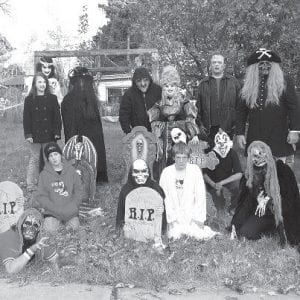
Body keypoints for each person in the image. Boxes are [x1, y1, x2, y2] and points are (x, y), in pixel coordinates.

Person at [236, 48, 300, 163]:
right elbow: (241, 111)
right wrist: (240, 133)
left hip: (279, 136)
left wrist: (294, 130)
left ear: (274, 65)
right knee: (256, 173)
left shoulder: (284, 82)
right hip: (255, 135)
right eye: (261, 64)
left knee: (280, 173)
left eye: (268, 63)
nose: (265, 66)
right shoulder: (247, 85)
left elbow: (294, 107)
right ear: (254, 66)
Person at [231, 141, 300, 246]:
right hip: (263, 214)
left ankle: (278, 229)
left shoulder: (283, 170)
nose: (259, 157)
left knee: (292, 237)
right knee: (245, 233)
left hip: (282, 213)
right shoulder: (250, 175)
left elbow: (290, 199)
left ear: (268, 153)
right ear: (251, 159)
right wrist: (235, 224)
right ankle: (269, 230)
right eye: (255, 155)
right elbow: (244, 203)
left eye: (262, 153)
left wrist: (268, 199)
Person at [159, 142, 218, 240]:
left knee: (197, 235)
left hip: (191, 214)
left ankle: (204, 231)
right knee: (175, 235)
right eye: (178, 157)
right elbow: (164, 197)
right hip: (173, 215)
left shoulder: (194, 171)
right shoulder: (167, 172)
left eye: (184, 158)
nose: (181, 161)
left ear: (188, 158)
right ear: (173, 157)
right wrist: (171, 219)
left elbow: (200, 196)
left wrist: (198, 219)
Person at [149, 66, 200, 174]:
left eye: (172, 85)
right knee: (164, 162)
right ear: (163, 88)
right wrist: (158, 134)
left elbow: (191, 119)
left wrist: (194, 134)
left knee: (181, 160)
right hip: (164, 141)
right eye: (167, 86)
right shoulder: (158, 104)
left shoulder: (184, 102)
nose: (170, 88)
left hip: (181, 140)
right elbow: (154, 122)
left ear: (177, 87)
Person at [61, 66, 108, 183]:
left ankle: (97, 174)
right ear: (75, 83)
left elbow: (96, 120)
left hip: (93, 132)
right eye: (79, 81)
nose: (81, 84)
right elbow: (68, 123)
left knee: (96, 150)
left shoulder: (92, 99)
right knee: (78, 153)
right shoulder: (68, 100)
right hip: (76, 131)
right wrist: (73, 138)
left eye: (84, 81)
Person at [23, 72, 62, 191]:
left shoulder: (52, 98)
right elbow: (26, 118)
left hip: (49, 135)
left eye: (44, 82)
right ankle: (30, 185)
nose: (42, 84)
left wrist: (57, 132)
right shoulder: (29, 99)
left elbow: (57, 117)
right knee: (34, 159)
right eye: (39, 82)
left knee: (48, 159)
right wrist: (28, 134)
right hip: (34, 135)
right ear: (34, 84)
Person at [33, 142, 84, 233]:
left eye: (56, 154)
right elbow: (41, 196)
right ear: (48, 159)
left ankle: (66, 221)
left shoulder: (71, 171)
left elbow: (78, 191)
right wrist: (53, 208)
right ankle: (54, 222)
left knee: (74, 228)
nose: (54, 158)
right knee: (50, 230)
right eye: (50, 156)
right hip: (52, 212)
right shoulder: (44, 174)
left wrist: (73, 206)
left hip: (70, 210)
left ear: (61, 155)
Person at [196, 53, 241, 139]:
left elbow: (239, 106)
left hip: (228, 129)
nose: (217, 64)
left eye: (219, 62)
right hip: (208, 130)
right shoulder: (203, 83)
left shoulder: (233, 82)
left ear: (224, 66)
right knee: (210, 152)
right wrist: (200, 125)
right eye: (214, 62)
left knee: (227, 152)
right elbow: (198, 108)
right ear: (210, 65)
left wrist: (236, 126)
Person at [0, 208, 58, 274]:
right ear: (20, 224)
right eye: (27, 224)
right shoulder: (8, 237)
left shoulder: (37, 239)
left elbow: (56, 260)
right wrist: (31, 250)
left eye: (35, 225)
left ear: (38, 230)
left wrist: (66, 257)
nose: (30, 229)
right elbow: (11, 270)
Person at [116, 159, 166, 234]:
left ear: (148, 172)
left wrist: (162, 228)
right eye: (136, 172)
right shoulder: (126, 190)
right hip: (132, 227)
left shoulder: (156, 188)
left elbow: (162, 213)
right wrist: (120, 227)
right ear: (131, 173)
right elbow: (121, 212)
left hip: (151, 227)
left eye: (143, 171)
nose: (140, 175)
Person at [203, 128, 242, 215]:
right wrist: (214, 185)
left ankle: (233, 207)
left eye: (224, 143)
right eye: (219, 143)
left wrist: (222, 183)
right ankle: (218, 199)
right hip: (212, 183)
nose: (222, 146)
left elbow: (239, 173)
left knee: (238, 183)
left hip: (225, 180)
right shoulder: (211, 153)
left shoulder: (232, 153)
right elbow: (204, 174)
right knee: (219, 207)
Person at [119, 67, 162, 134]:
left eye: (145, 80)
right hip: (138, 134)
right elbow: (123, 116)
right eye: (139, 81)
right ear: (135, 82)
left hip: (157, 132)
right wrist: (129, 133)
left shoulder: (158, 90)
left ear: (149, 80)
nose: (143, 84)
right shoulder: (128, 95)